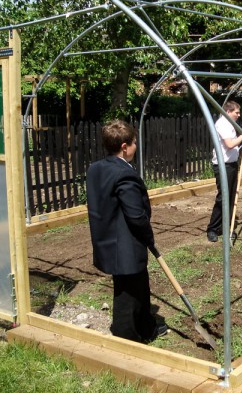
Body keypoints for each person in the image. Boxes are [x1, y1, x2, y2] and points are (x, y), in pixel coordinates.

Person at [86, 120, 168, 343]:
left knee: (138, 286)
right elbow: (135, 215)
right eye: (133, 143)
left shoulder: (96, 168)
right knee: (128, 294)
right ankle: (127, 337)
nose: (135, 147)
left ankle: (146, 327)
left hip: (108, 239)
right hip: (125, 244)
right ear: (124, 146)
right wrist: (148, 237)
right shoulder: (125, 175)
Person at [206, 100, 242, 242]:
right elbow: (230, 144)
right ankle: (212, 229)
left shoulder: (229, 124)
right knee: (223, 197)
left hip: (232, 165)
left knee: (231, 197)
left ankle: (227, 228)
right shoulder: (222, 124)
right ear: (228, 112)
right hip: (223, 166)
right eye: (236, 112)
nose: (239, 115)